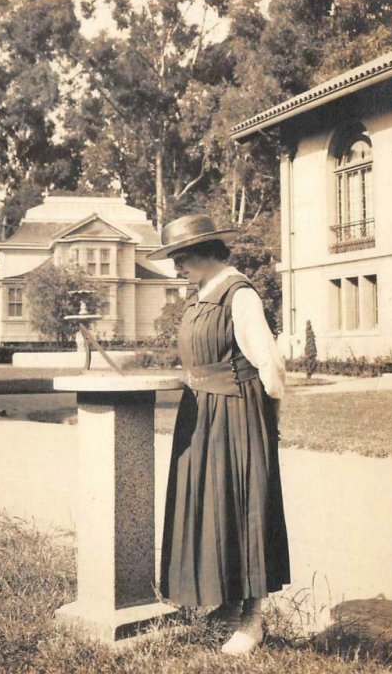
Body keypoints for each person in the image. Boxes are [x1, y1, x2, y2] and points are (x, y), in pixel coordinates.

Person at [147, 213, 290, 656]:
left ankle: (252, 621)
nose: (177, 266)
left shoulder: (239, 293)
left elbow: (270, 364)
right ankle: (228, 606)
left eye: (182, 256)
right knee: (213, 508)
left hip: (237, 412)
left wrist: (268, 422)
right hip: (202, 414)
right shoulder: (201, 295)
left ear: (208, 251)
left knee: (243, 507)